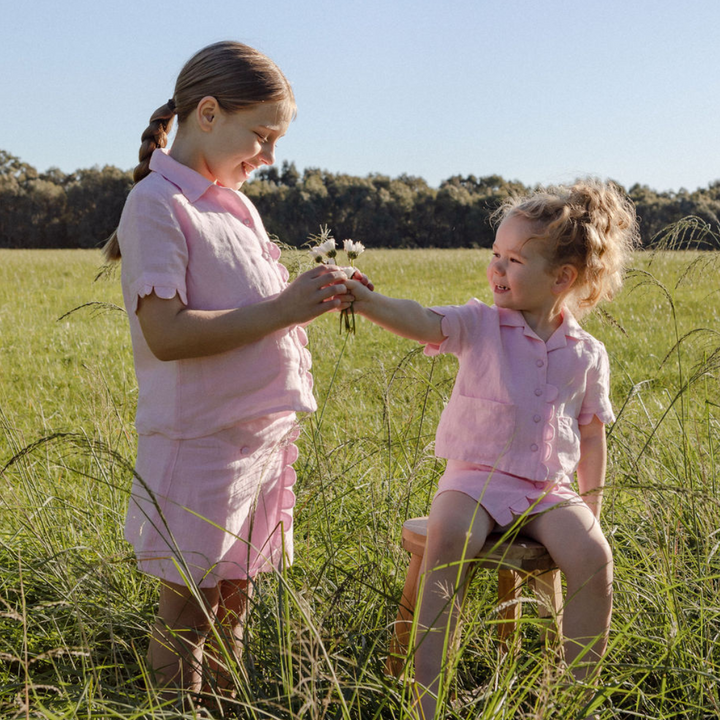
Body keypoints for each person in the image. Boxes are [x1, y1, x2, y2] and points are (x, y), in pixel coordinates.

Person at [104, 41, 368, 699]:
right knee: (187, 612)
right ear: (211, 113)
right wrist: (283, 308)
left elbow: (252, 309)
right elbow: (164, 333)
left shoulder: (236, 204)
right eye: (262, 134)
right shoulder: (158, 203)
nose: (270, 157)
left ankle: (229, 707)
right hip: (200, 442)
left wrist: (314, 297)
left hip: (256, 439)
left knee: (234, 599)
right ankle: (175, 708)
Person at [345, 179, 638, 719]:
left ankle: (572, 701)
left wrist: (590, 512)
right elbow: (422, 320)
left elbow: (593, 434)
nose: (496, 269)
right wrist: (366, 302)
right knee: (449, 537)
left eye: (513, 261)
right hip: (474, 480)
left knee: (595, 558)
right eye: (495, 255)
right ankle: (427, 699)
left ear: (562, 278)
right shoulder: (479, 324)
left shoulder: (586, 354)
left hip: (548, 489)